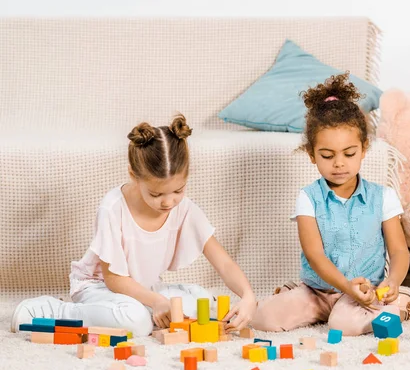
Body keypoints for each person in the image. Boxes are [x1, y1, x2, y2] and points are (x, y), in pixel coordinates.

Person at [11, 114, 256, 337]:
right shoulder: (113, 208)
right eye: (156, 194)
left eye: (178, 190)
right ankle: (57, 310)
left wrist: (248, 295)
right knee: (136, 322)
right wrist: (156, 301)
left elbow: (223, 261)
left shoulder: (184, 208)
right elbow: (114, 279)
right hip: (99, 287)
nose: (168, 202)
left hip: (141, 289)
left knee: (208, 304)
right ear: (133, 175)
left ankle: (148, 307)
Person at [251, 73, 410, 336]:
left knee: (344, 325)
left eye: (349, 154)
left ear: (364, 149)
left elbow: (398, 251)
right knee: (262, 318)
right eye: (327, 155)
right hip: (317, 291)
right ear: (312, 154)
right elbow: (315, 255)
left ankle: (401, 301)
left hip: (366, 291)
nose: (339, 163)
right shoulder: (308, 198)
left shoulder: (383, 197)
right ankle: (319, 306)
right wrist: (343, 285)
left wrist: (393, 281)